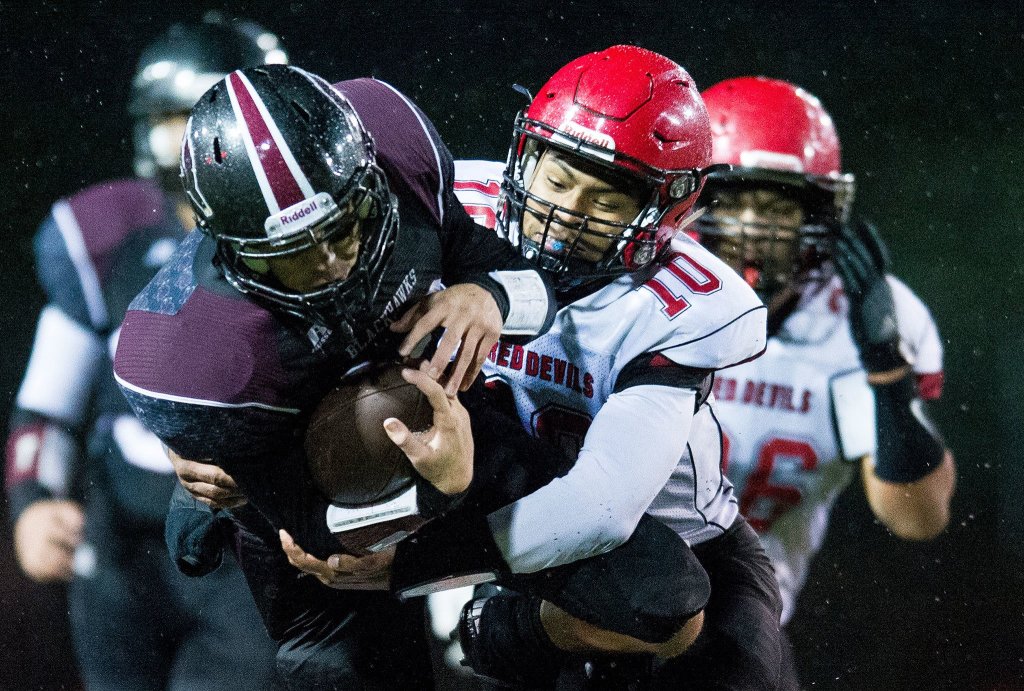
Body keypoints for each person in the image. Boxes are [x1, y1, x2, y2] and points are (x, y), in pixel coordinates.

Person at [283, 46, 784, 690]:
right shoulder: (458, 200)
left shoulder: (684, 306)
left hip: (678, 542)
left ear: (668, 209)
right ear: (525, 154)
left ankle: (515, 626)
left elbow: (602, 507)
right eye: (557, 178)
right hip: (499, 498)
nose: (567, 213)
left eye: (604, 196)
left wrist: (410, 565)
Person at [112, 63, 557, 689]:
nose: (328, 264)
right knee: (338, 666)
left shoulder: (395, 150)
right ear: (234, 254)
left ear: (371, 182)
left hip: (430, 406)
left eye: (342, 229)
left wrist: (491, 297)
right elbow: (311, 536)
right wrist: (438, 489)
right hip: (314, 448)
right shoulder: (197, 350)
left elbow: (531, 285)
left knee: (649, 589)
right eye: (292, 254)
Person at [4, 16, 284, 690]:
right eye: (172, 118)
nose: (189, 140)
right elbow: (47, 406)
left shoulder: (299, 234)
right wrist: (33, 498)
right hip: (126, 546)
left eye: (208, 115)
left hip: (249, 544)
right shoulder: (109, 234)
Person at [690, 76, 956, 686]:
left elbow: (918, 518)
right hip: (596, 585)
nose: (753, 228)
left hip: (741, 617)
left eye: (778, 205)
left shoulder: (863, 322)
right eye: (735, 202)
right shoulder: (643, 288)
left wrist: (886, 370)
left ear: (819, 212)